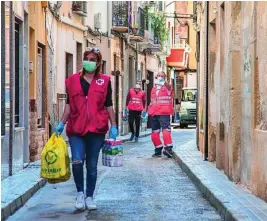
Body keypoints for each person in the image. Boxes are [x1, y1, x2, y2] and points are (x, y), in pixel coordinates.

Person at [55, 47, 118, 211]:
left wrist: (114, 125)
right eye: (87, 59)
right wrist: (62, 123)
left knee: (91, 165)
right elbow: (68, 105)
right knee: (77, 161)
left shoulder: (104, 81)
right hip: (76, 128)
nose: (89, 62)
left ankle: (90, 197)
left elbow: (109, 105)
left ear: (98, 64)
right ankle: (80, 193)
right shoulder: (72, 81)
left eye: (92, 59)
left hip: (97, 130)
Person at [147, 72, 174, 158]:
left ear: (165, 78)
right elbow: (152, 101)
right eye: (158, 76)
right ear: (156, 77)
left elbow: (169, 87)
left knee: (166, 131)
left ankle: (168, 149)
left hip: (164, 113)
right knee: (154, 133)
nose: (160, 77)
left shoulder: (167, 87)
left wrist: (164, 82)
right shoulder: (153, 89)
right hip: (154, 113)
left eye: (162, 76)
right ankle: (158, 149)